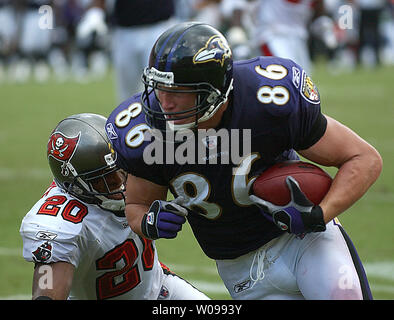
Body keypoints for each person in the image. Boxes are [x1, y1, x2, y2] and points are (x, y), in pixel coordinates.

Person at [105, 22, 382, 299]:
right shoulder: (146, 131)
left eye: (177, 91)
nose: (164, 102)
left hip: (303, 242)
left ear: (214, 91)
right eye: (159, 88)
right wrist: (149, 221)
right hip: (240, 269)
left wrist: (318, 215)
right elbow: (137, 206)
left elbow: (363, 159)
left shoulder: (267, 101)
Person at [19, 113, 209, 300]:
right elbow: (48, 292)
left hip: (159, 288)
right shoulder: (60, 225)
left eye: (120, 170)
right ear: (75, 186)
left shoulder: (128, 167)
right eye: (106, 180)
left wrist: (149, 218)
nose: (121, 184)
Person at [77, 0, 178, 102]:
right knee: (127, 97)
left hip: (159, 26)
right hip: (125, 30)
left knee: (160, 89)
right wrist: (96, 11)